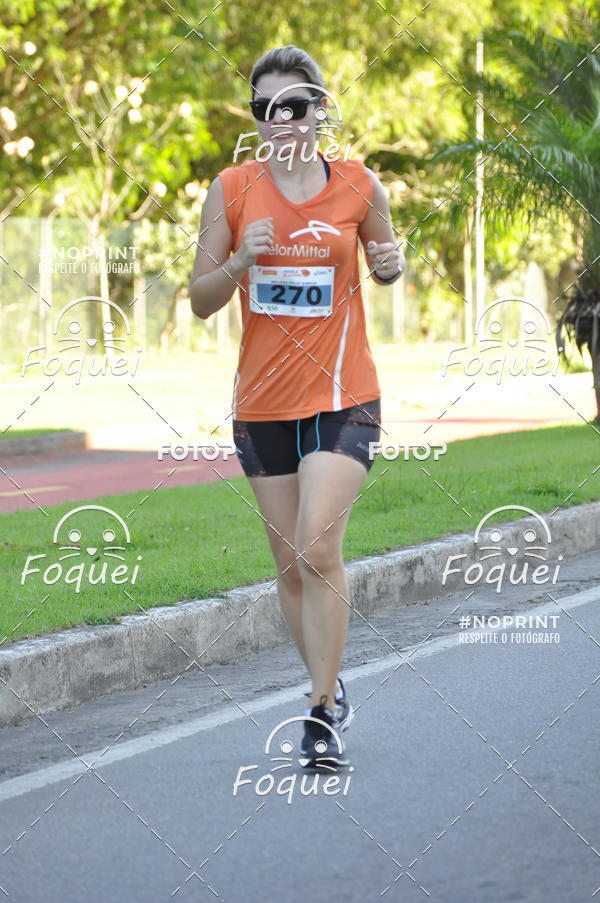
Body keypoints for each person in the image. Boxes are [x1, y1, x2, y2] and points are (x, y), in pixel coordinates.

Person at [189, 45, 404, 766]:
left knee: (318, 546)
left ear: (320, 110)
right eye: (264, 108)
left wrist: (392, 265)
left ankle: (318, 714)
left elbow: (385, 259)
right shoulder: (231, 189)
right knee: (287, 564)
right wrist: (239, 259)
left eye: (295, 105)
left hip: (345, 395)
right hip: (262, 402)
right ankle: (329, 680)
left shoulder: (359, 185)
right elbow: (198, 300)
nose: (281, 119)